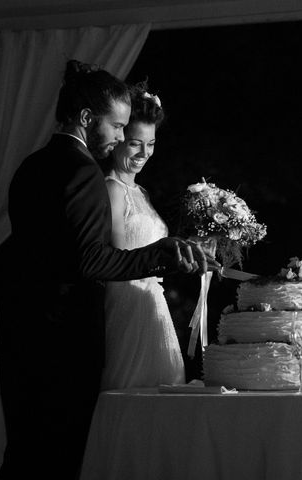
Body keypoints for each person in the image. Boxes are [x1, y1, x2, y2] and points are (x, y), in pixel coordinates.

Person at [0, 60, 216, 480]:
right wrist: (158, 254)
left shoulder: (29, 166)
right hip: (61, 342)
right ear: (87, 118)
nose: (117, 138)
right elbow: (88, 259)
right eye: (116, 127)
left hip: (21, 336)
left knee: (22, 456)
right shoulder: (82, 172)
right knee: (60, 457)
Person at [100, 82, 186, 389]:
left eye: (150, 144)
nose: (143, 153)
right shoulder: (112, 190)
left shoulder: (142, 193)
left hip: (154, 304)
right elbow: (116, 263)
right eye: (136, 143)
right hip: (127, 307)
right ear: (120, 138)